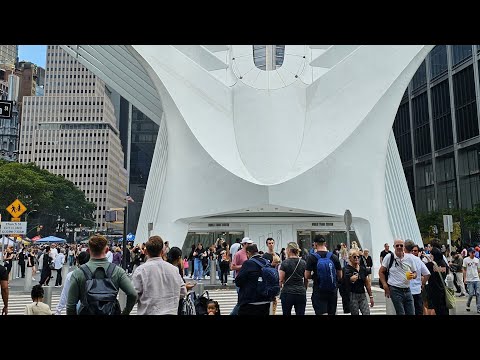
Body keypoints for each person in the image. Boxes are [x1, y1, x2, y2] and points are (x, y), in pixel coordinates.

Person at [66, 235, 137, 315]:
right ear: (106, 250)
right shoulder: (117, 271)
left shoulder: (78, 273)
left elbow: (70, 306)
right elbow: (133, 294)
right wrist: (125, 312)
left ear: (88, 251)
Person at [132, 237, 187, 315]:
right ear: (162, 252)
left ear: (146, 251)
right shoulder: (174, 269)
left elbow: (134, 296)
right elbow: (183, 291)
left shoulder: (141, 270)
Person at [305, 235, 342, 315]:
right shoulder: (333, 257)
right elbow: (340, 275)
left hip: (319, 290)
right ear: (325, 243)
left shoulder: (311, 258)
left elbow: (307, 275)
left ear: (315, 244)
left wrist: (315, 276)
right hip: (332, 290)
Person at [379, 239, 417, 315]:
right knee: (401, 312)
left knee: (411, 312)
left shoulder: (409, 258)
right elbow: (381, 272)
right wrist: (385, 285)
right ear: (394, 247)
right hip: (395, 289)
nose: (399, 247)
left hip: (407, 289)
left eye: (401, 245)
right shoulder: (389, 257)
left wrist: (413, 275)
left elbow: (415, 272)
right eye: (397, 245)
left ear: (404, 247)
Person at [235, 243, 271, 316]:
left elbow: (238, 281)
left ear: (248, 253)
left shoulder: (248, 263)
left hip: (250, 302)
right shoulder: (266, 262)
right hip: (266, 301)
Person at [279, 242, 307, 315]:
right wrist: (304, 288)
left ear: (289, 250)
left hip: (287, 293)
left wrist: (280, 288)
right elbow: (306, 278)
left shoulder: (285, 263)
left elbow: (281, 279)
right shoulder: (303, 263)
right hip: (301, 292)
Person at [343, 249, 374, 315]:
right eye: (354, 257)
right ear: (350, 258)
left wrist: (371, 296)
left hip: (362, 295)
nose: (356, 258)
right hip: (352, 295)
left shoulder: (362, 268)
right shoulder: (347, 269)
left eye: (358, 256)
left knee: (366, 313)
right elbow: (348, 279)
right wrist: (352, 278)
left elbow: (367, 283)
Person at [404, 240, 430, 315]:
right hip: (417, 290)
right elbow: (427, 274)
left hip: (406, 290)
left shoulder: (402, 258)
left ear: (404, 248)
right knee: (418, 311)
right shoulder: (417, 260)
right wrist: (423, 284)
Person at [230, 237, 252, 315]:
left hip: (248, 280)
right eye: (248, 244)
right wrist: (243, 266)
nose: (250, 245)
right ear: (244, 244)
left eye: (250, 243)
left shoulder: (250, 253)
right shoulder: (238, 254)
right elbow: (232, 267)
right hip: (240, 279)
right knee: (241, 300)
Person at [463, 247, 480, 313]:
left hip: (476, 279)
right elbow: (464, 270)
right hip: (469, 279)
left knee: (478, 293)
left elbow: (478, 270)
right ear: (469, 253)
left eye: (474, 252)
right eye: (472, 252)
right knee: (471, 294)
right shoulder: (465, 260)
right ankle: (468, 304)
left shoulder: (477, 260)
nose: (473, 254)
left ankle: (478, 308)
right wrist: (465, 278)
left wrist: (478, 277)